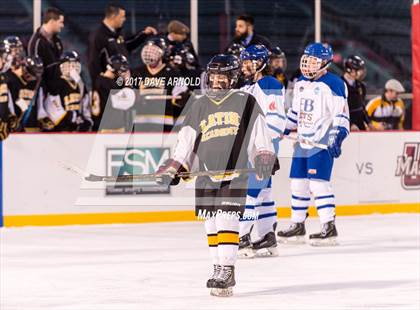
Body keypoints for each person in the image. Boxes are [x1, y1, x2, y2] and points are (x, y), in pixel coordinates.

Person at [155, 54, 277, 297]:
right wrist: (174, 166)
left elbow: (260, 133)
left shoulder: (246, 100)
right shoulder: (199, 104)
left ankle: (228, 269)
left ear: (233, 78)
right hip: (207, 175)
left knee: (227, 219)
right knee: (210, 222)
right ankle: (217, 267)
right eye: (214, 77)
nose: (217, 81)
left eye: (223, 77)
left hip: (235, 172)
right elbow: (185, 142)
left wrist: (264, 155)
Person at [277, 43, 350, 246]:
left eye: (313, 61)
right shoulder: (300, 82)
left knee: (318, 184)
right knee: (297, 183)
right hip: (302, 141)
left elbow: (341, 114)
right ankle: (297, 225)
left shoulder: (334, 83)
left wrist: (338, 135)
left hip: (322, 141)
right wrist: (282, 128)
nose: (308, 64)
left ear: (325, 63)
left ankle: (329, 227)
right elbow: (294, 113)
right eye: (306, 59)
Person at [238, 45, 286, 258]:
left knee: (250, 193)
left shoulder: (269, 83)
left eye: (250, 61)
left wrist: (265, 150)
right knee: (263, 191)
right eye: (244, 61)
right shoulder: (250, 86)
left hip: (261, 148)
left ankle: (241, 239)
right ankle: (267, 236)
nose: (245, 65)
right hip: (254, 147)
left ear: (262, 63)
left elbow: (276, 119)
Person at [87, 3, 157, 84]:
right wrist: (96, 87)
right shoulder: (98, 35)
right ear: (113, 16)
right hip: (109, 84)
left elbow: (126, 47)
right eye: (122, 16)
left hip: (122, 81)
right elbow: (93, 63)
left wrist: (144, 35)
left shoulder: (117, 33)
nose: (124, 19)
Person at [132, 37, 188, 132]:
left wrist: (182, 97)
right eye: (148, 49)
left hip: (164, 126)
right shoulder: (137, 73)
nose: (149, 53)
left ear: (163, 52)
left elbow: (181, 99)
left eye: (153, 50)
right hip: (140, 125)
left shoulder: (173, 73)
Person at [43, 51, 92, 132]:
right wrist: (73, 117)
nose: (72, 67)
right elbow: (53, 108)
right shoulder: (56, 83)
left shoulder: (81, 84)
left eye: (74, 64)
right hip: (61, 129)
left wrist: (86, 122)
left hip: (76, 129)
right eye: (69, 65)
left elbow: (85, 106)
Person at [4, 55, 48, 131]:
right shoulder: (10, 80)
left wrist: (43, 117)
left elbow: (39, 103)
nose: (32, 77)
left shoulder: (37, 84)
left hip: (32, 127)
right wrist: (10, 116)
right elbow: (7, 102)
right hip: (14, 126)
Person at [92, 54, 133, 132]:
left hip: (99, 124)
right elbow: (125, 101)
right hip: (111, 127)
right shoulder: (108, 83)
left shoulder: (100, 80)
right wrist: (127, 82)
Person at [27, 7, 64, 90]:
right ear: (51, 21)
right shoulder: (36, 42)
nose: (62, 25)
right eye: (60, 22)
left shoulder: (57, 41)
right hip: (43, 91)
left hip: (56, 89)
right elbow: (35, 70)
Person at [342, 55, 370, 131]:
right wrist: (350, 124)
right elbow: (337, 110)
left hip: (360, 124)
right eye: (358, 70)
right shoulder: (339, 85)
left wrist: (369, 122)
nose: (361, 73)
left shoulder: (361, 86)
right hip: (343, 125)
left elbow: (362, 107)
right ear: (350, 70)